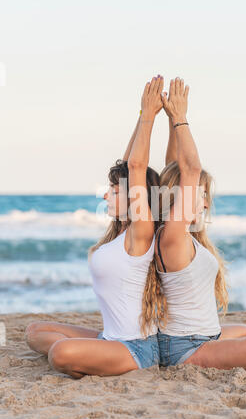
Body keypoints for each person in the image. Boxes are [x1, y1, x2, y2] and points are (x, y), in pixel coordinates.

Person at [25, 75, 166, 379]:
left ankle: (91, 359)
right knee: (34, 332)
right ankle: (95, 356)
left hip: (136, 348)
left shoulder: (140, 234)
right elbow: (129, 164)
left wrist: (150, 118)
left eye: (115, 191)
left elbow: (136, 168)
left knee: (60, 353)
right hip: (110, 339)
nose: (106, 194)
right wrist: (140, 115)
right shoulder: (119, 233)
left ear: (135, 197)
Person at [154, 77, 246, 374]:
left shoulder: (185, 234)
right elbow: (189, 169)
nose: (204, 204)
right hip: (183, 347)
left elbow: (174, 166)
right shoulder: (171, 236)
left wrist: (171, 124)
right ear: (180, 197)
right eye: (201, 195)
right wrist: (180, 119)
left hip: (204, 336)